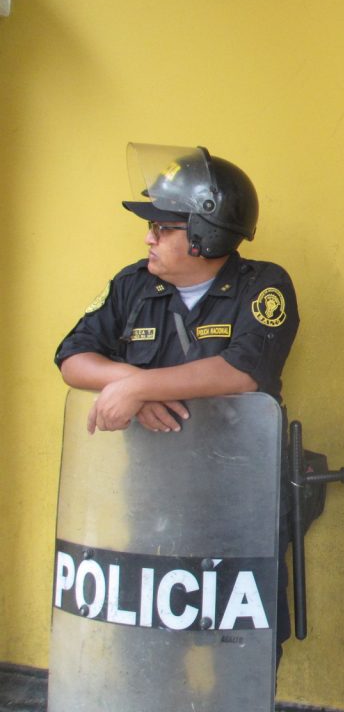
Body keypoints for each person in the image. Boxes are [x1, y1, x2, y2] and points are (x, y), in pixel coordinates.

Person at [54, 142, 299, 662]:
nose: (149, 237)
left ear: (205, 234)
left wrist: (141, 387)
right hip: (152, 495)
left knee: (239, 644)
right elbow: (72, 357)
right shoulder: (132, 285)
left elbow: (242, 372)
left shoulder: (264, 286)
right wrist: (128, 381)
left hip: (239, 499)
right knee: (144, 640)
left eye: (162, 228)